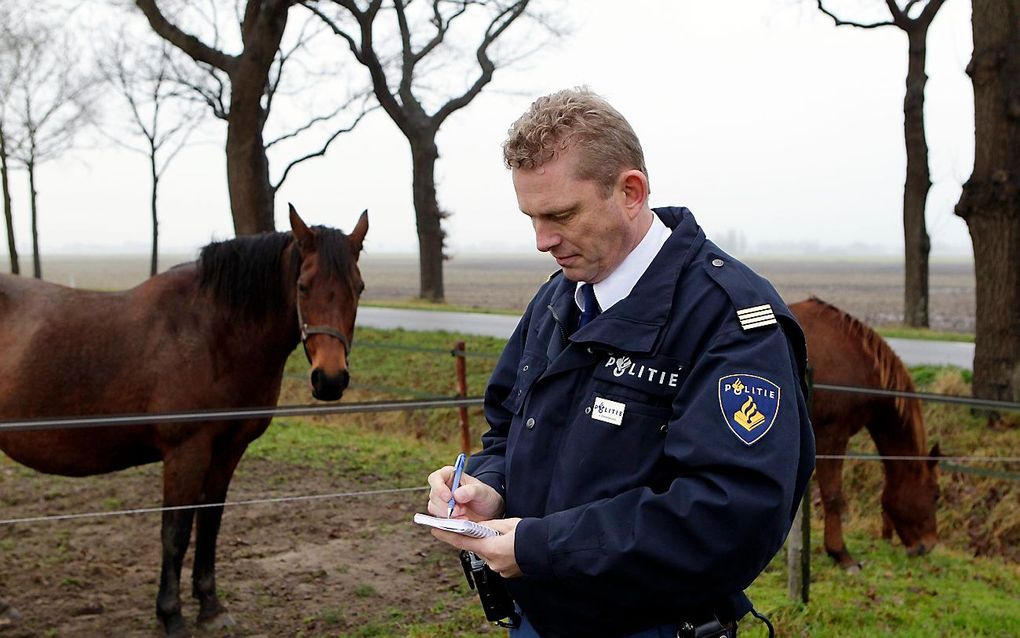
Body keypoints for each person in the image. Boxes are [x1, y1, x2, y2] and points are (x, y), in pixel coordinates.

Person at [426, 87, 815, 638]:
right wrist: (487, 488)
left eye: (560, 215)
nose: (542, 241)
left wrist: (540, 547)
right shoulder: (558, 299)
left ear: (630, 191)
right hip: (538, 619)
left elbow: (729, 514)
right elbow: (508, 432)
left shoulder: (727, 320)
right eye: (531, 217)